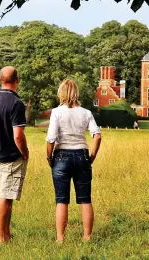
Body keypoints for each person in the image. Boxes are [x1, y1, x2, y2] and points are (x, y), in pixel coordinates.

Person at [46, 79, 102, 243]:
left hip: (61, 156)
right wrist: (92, 155)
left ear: (61, 93)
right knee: (85, 199)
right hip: (82, 155)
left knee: (61, 199)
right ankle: (87, 237)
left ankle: (60, 238)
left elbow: (50, 139)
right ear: (76, 93)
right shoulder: (85, 113)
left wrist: (49, 158)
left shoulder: (56, 112)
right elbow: (97, 135)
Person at [0, 66, 29, 243]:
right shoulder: (17, 103)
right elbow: (18, 135)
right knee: (5, 197)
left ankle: (7, 234)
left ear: (0, 80)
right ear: (17, 80)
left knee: (7, 196)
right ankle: (1, 237)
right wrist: (25, 152)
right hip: (11, 156)